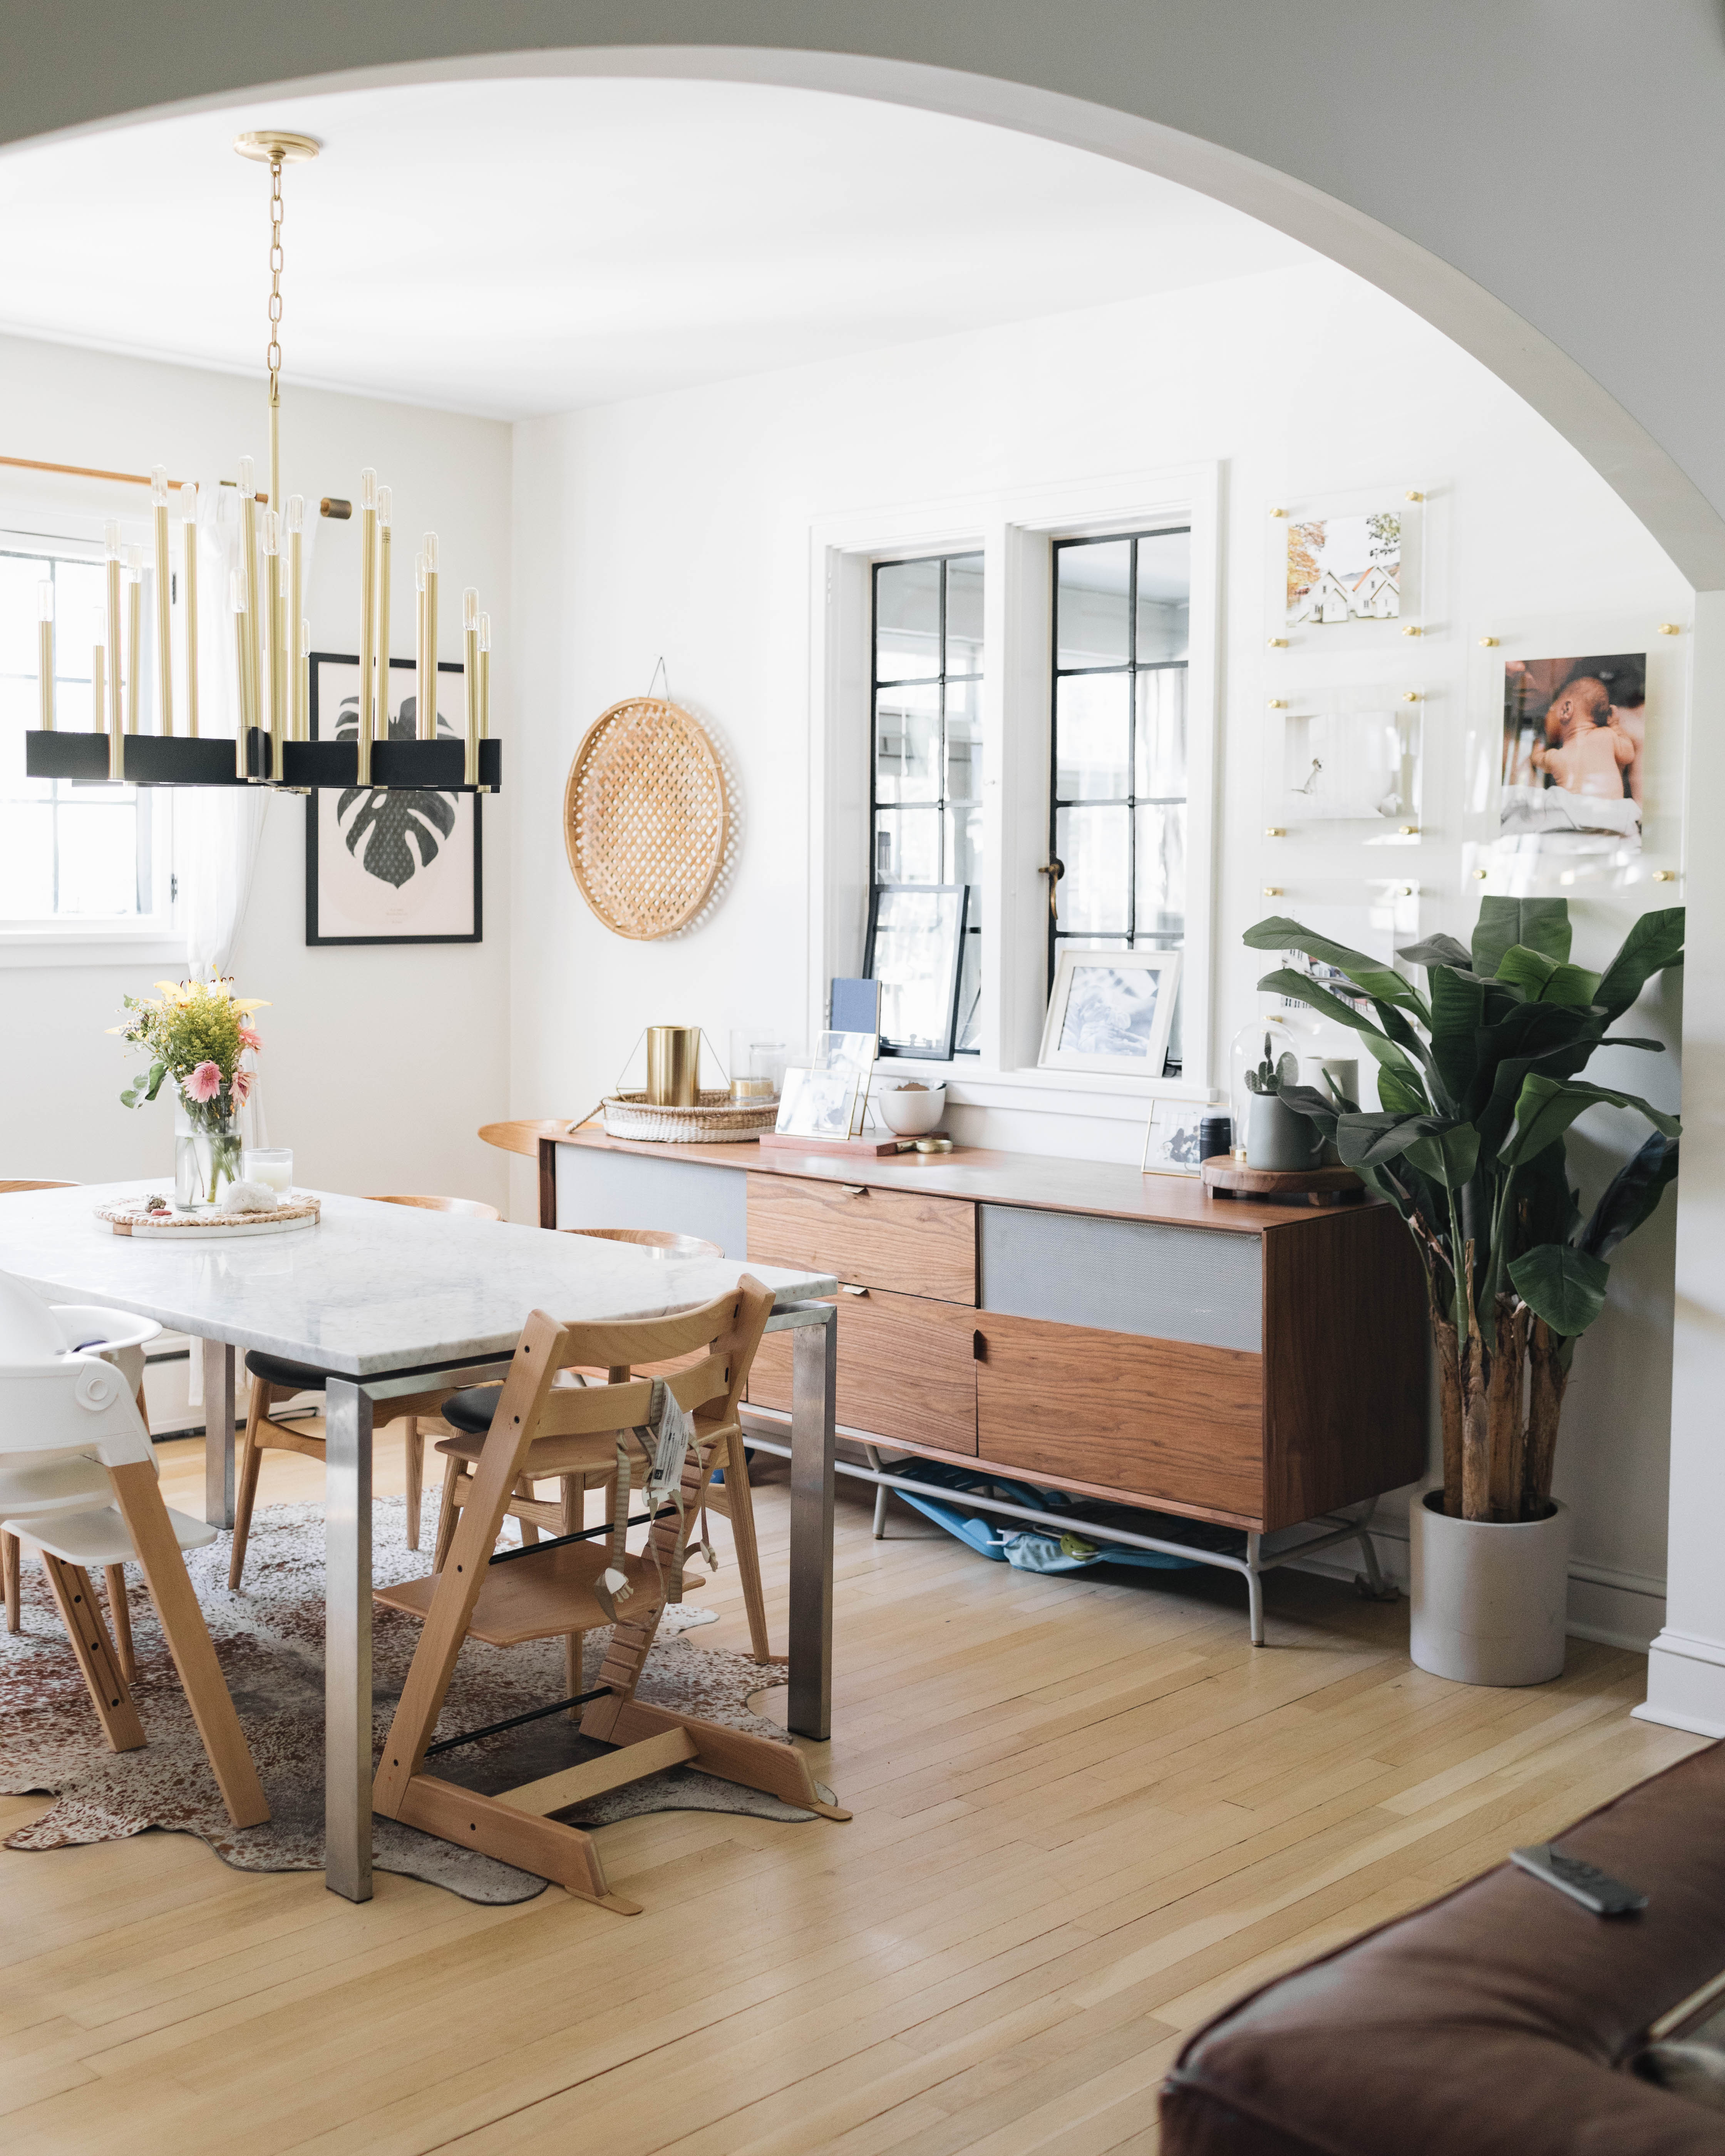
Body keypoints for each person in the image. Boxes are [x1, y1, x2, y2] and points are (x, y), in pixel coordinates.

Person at [1531, 674, 1636, 800]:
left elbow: (1537, 759)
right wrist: (1615, 725)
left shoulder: (1556, 758)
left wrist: (1539, 742)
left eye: (1551, 708)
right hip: (1611, 813)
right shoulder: (1607, 735)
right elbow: (1629, 755)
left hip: (1574, 815)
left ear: (1566, 710)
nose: (1546, 716)